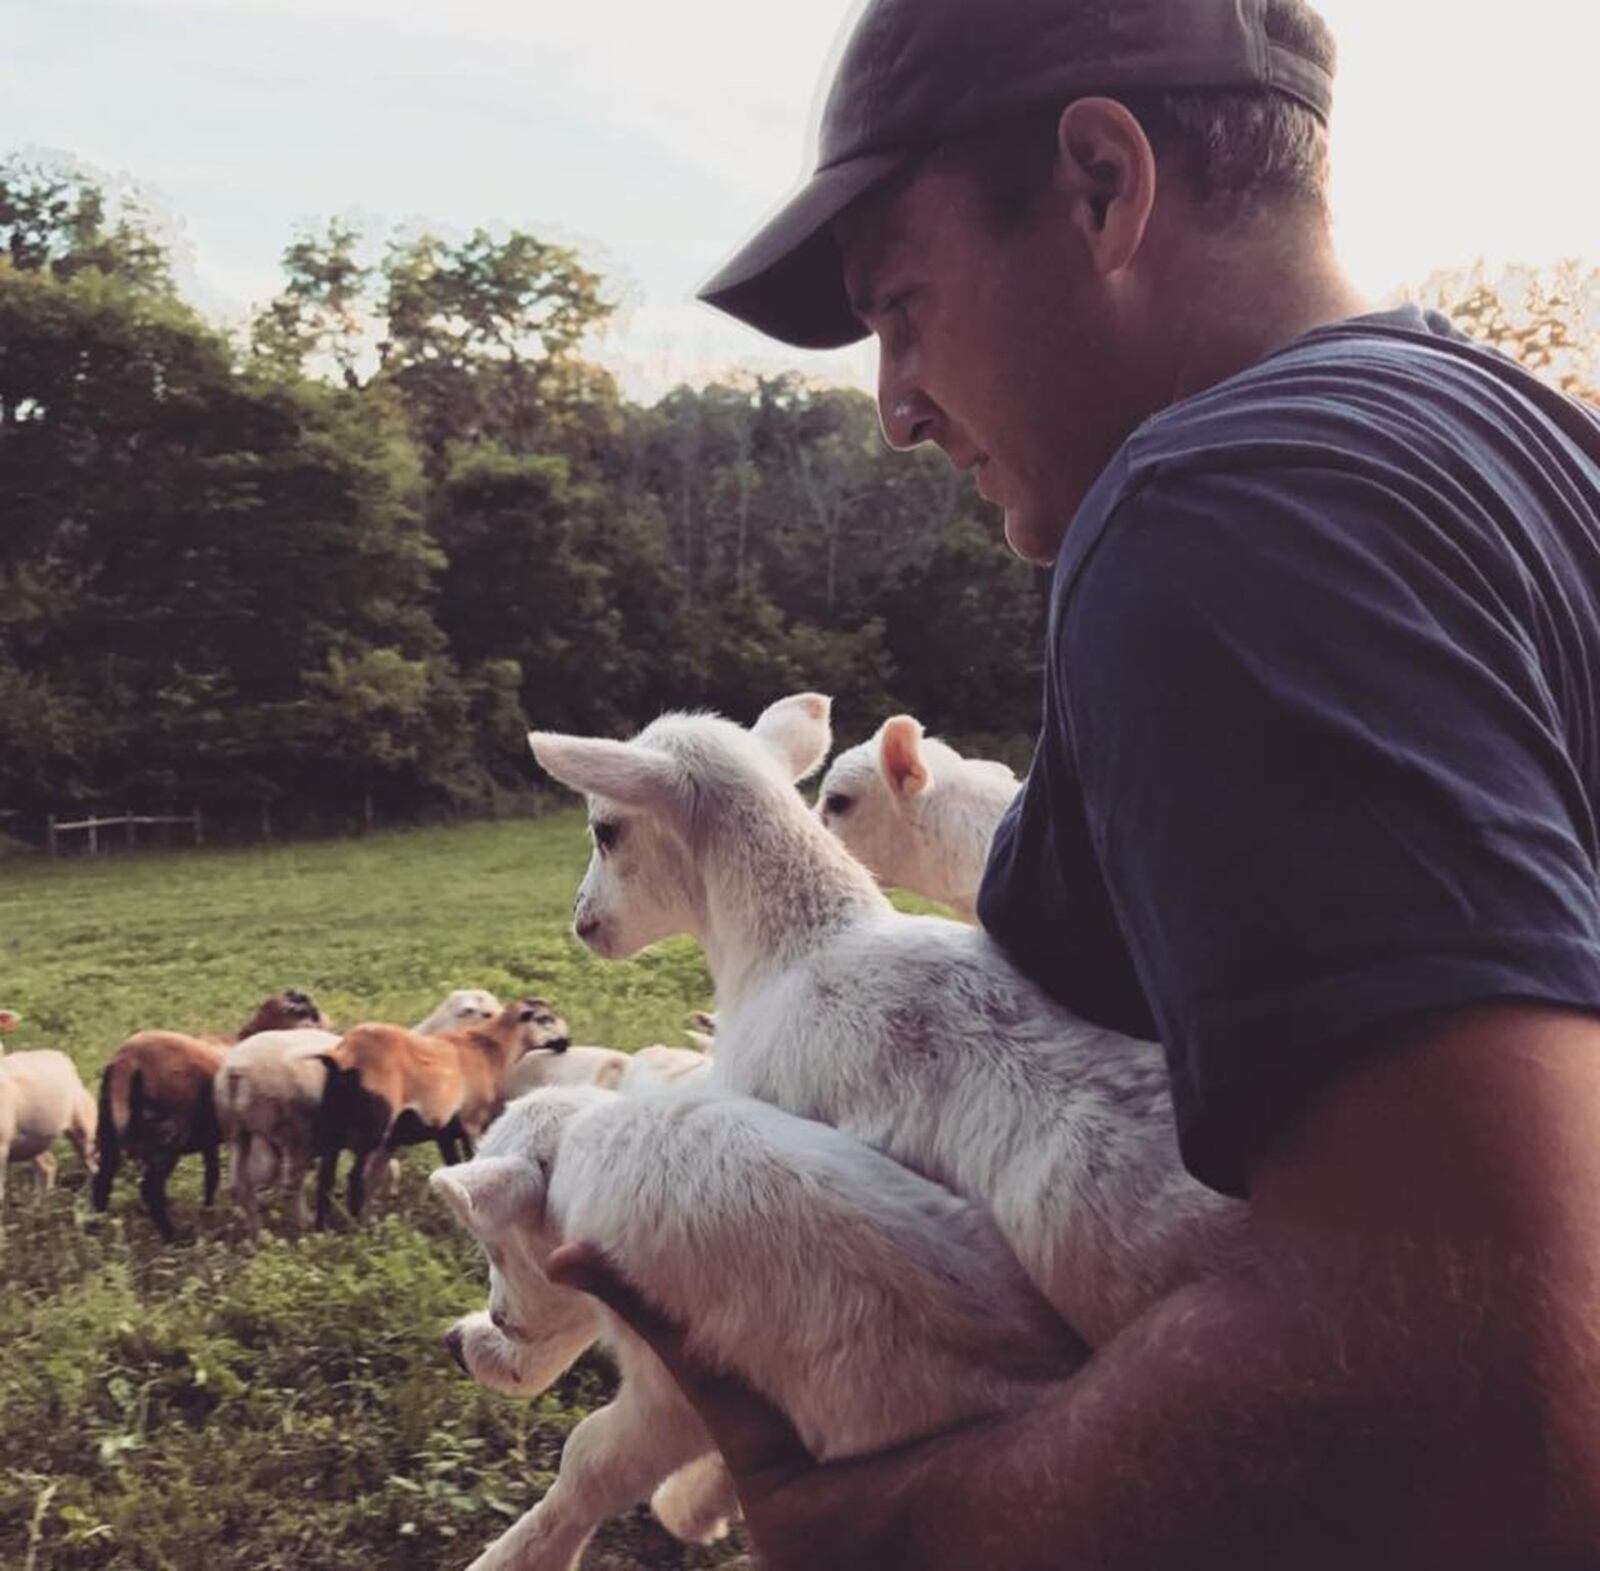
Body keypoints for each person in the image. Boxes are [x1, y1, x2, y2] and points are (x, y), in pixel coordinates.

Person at [551, 1, 1600, 1565]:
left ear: (1102, 185)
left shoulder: (1219, 508)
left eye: (901, 310)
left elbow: (1493, 1380)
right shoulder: (1522, 444)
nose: (895, 407)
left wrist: (910, 1524)